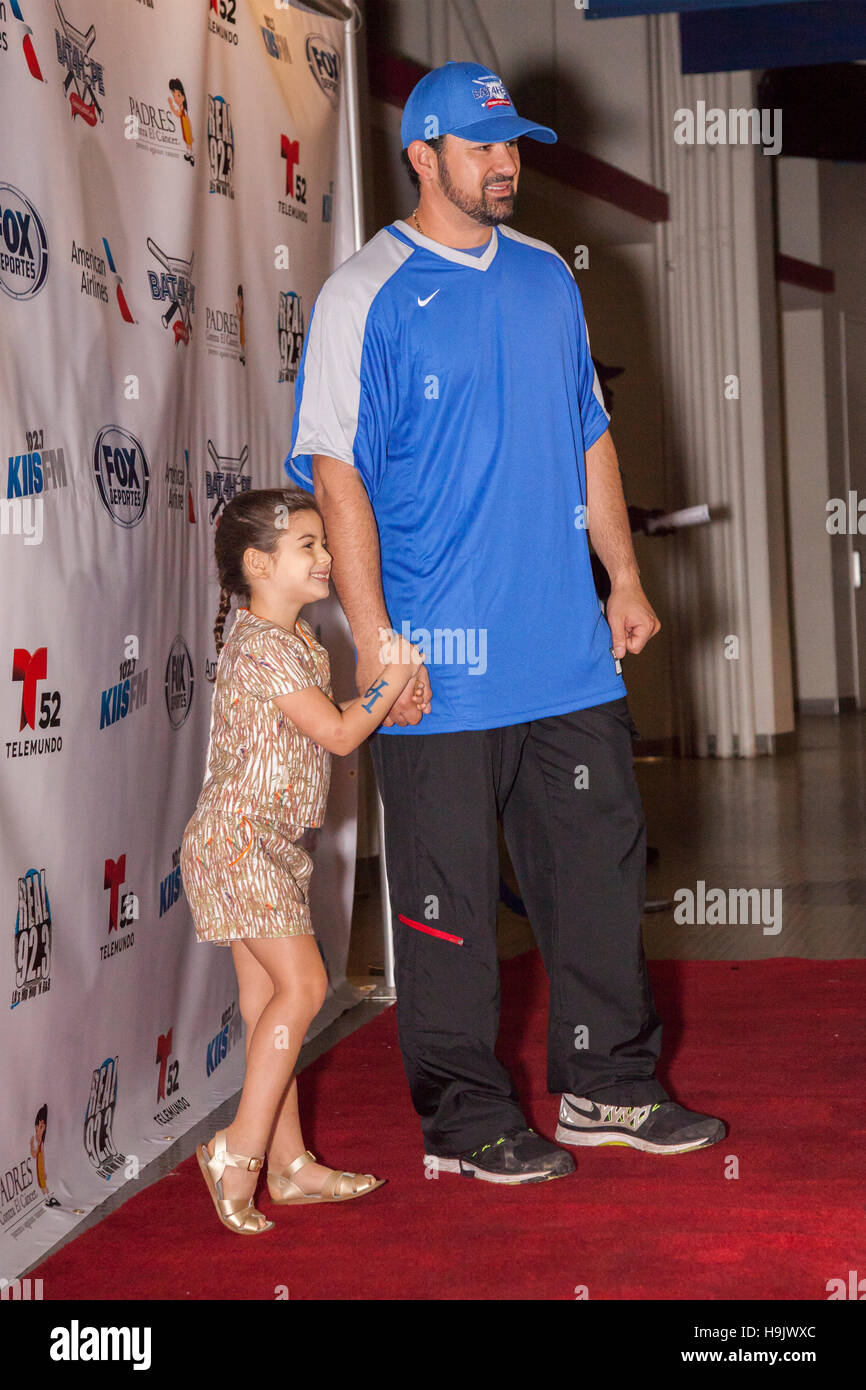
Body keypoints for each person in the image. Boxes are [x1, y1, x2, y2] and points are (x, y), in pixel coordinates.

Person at [286, 61, 725, 1184]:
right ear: (421, 155)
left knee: (593, 877)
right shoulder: (363, 294)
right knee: (444, 906)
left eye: (512, 144)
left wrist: (619, 578)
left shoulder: (545, 278)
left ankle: (607, 1084)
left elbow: (589, 432)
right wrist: (379, 639)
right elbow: (337, 477)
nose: (504, 162)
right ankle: (465, 1118)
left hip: (564, 653)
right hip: (436, 661)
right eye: (481, 146)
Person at [180, 487, 426, 1234]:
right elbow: (342, 734)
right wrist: (395, 669)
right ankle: (239, 1153)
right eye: (309, 546)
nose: (326, 558)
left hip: (269, 849)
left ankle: (288, 1168)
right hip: (240, 844)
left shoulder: (295, 641)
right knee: (308, 984)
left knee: (267, 1011)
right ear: (260, 564)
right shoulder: (260, 644)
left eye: (325, 542)